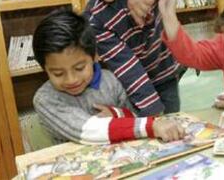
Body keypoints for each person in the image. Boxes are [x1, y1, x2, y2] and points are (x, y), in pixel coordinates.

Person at [32, 9, 185, 144]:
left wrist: (116, 114)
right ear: (44, 68)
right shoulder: (45, 99)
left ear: (95, 56)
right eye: (58, 73)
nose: (71, 79)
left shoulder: (112, 81)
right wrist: (150, 126)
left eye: (79, 68)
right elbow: (87, 130)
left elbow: (135, 116)